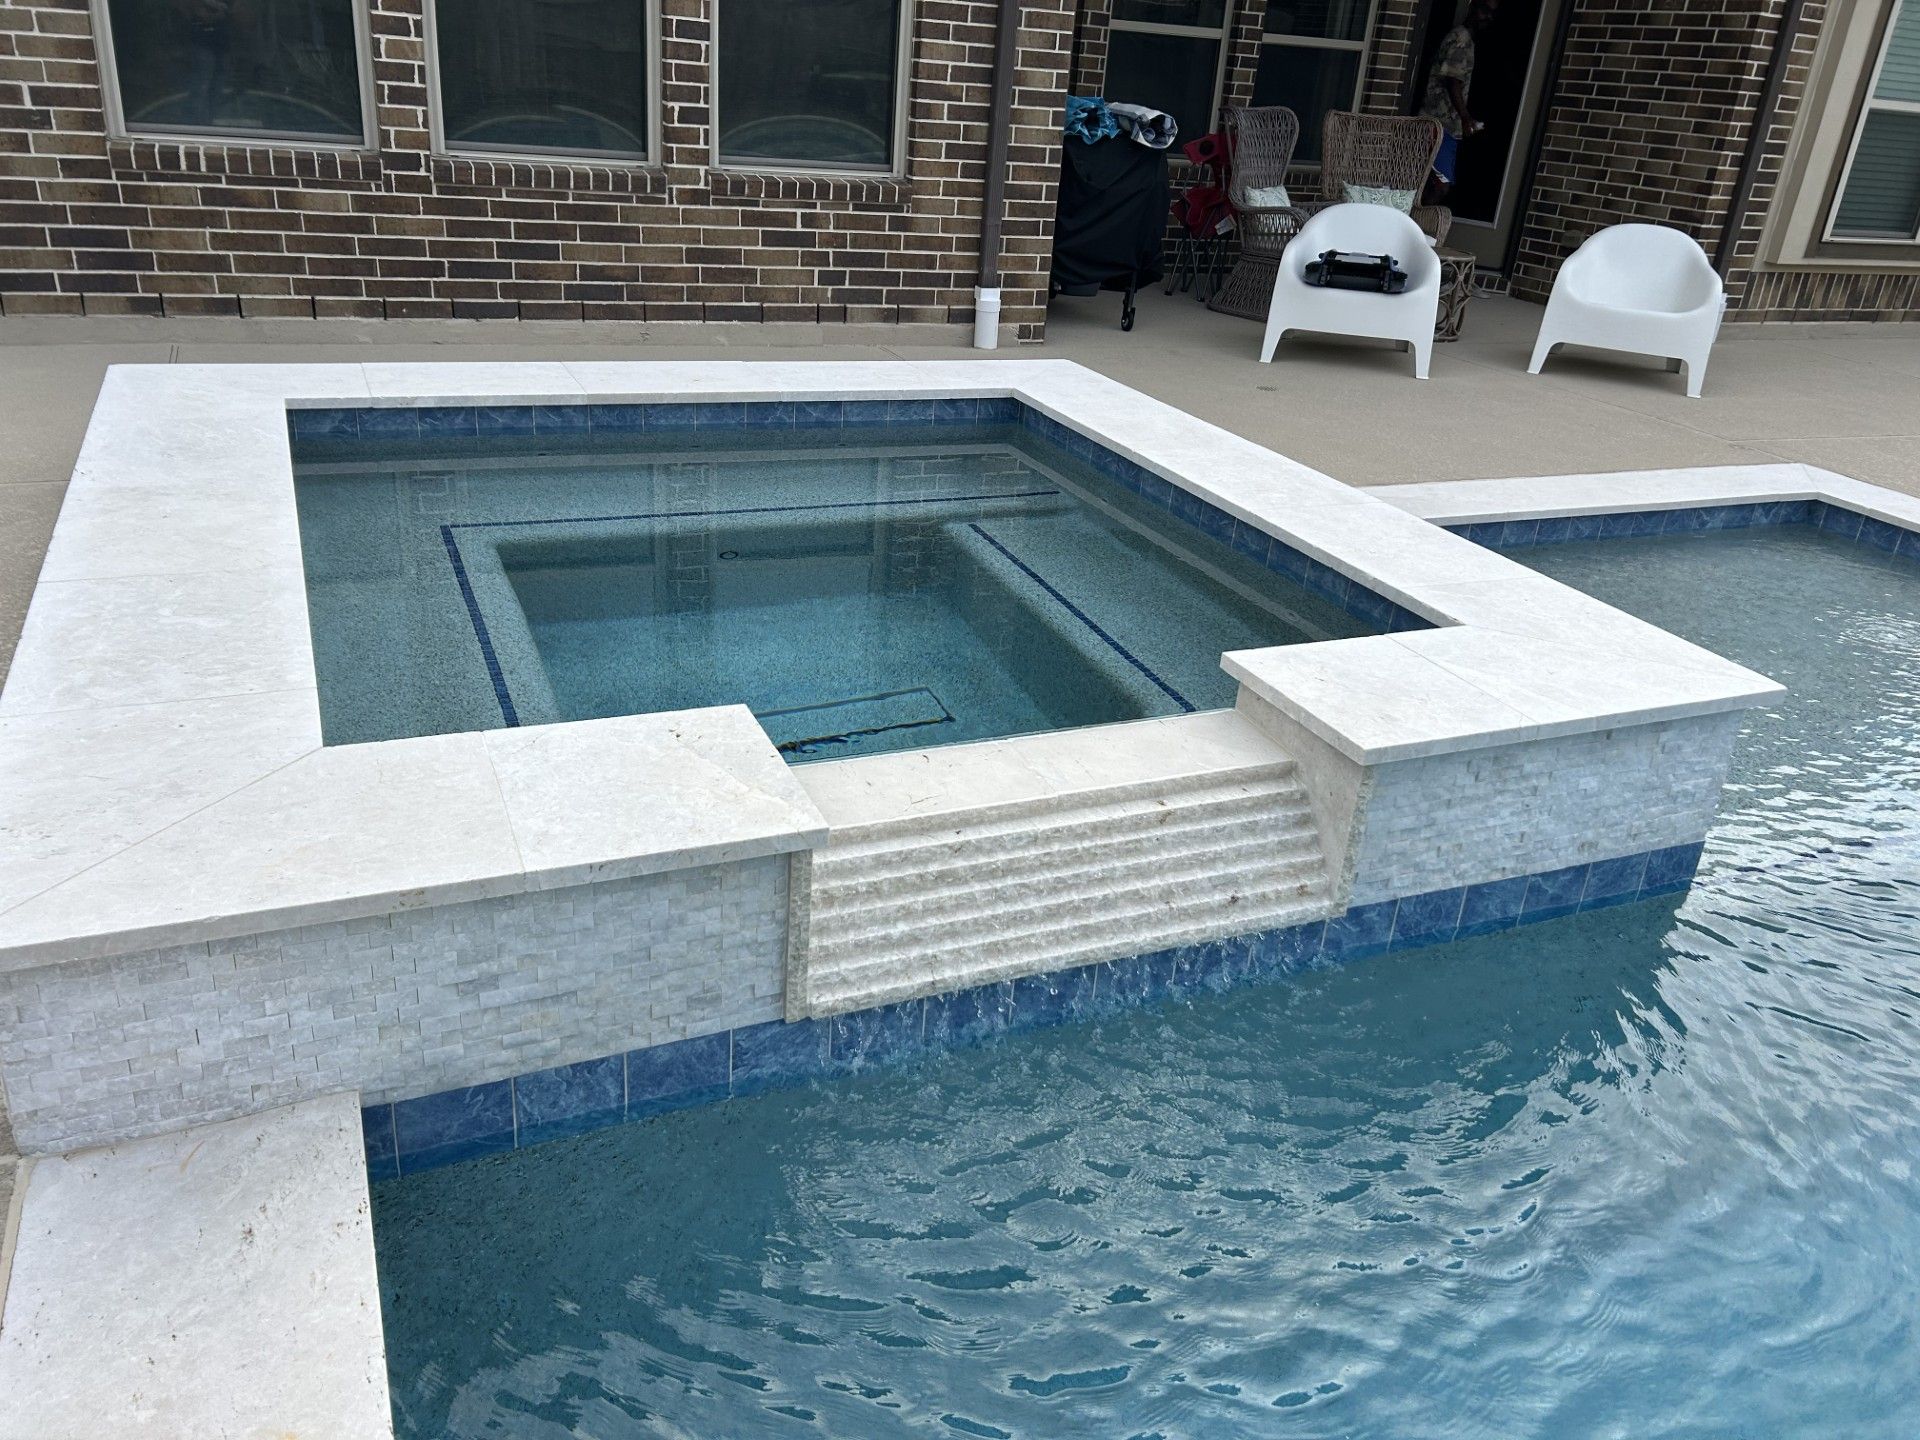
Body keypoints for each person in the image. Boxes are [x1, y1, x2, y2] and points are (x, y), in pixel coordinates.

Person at [1420, 0, 1500, 204]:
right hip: (1439, 123)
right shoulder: (1461, 39)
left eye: (1492, 14)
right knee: (1440, 185)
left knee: (1431, 181)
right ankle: (1414, 230)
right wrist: (1465, 117)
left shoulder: (1466, 40)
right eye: (1484, 11)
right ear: (1473, 7)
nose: (1488, 17)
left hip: (1446, 126)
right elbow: (1453, 80)